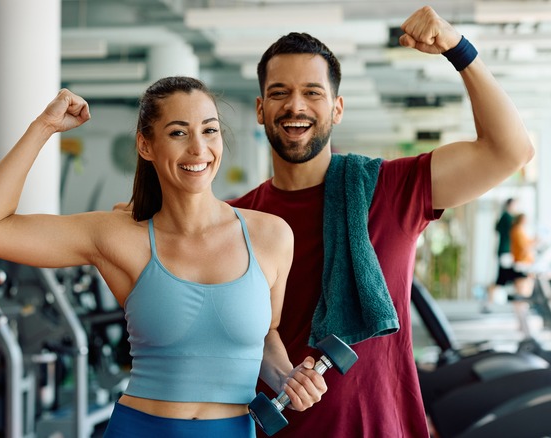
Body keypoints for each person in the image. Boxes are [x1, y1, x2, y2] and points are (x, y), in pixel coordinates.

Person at [0, 77, 327, 438]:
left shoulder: (271, 235)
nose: (199, 148)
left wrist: (286, 377)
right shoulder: (118, 236)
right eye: (178, 132)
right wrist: (43, 127)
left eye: (209, 130)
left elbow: (265, 335)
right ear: (145, 146)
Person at [227, 6, 535, 438]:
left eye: (312, 93)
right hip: (276, 427)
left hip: (381, 426)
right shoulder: (235, 218)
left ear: (336, 109)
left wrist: (459, 50)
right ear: (261, 109)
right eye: (279, 92)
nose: (295, 105)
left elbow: (510, 151)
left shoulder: (389, 188)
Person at [484, 197, 518, 312]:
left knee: (502, 279)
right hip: (506, 252)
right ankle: (519, 308)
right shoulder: (509, 218)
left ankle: (489, 302)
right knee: (503, 280)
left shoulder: (503, 216)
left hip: (503, 251)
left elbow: (497, 229)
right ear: (510, 205)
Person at [509, 213, 538, 337]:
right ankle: (521, 323)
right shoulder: (517, 230)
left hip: (524, 265)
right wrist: (535, 242)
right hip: (521, 265)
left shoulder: (520, 230)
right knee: (522, 296)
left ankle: (522, 323)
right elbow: (524, 248)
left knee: (522, 297)